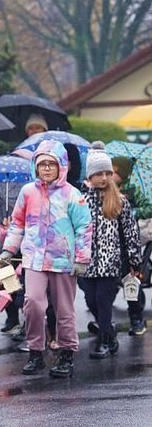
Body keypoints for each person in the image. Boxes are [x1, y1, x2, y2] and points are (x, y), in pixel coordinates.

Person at [0, 140, 92, 379]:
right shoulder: (27, 192)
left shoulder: (72, 194)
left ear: (62, 166)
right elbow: (18, 223)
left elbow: (83, 227)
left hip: (63, 261)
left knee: (64, 310)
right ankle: (35, 352)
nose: (47, 168)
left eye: (52, 164)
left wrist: (82, 258)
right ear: (35, 167)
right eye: (42, 164)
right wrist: (9, 249)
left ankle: (67, 354)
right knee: (32, 303)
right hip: (34, 259)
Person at [80, 149, 142, 358]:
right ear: (90, 176)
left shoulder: (120, 200)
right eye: (99, 174)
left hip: (111, 262)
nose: (104, 178)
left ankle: (103, 341)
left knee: (103, 300)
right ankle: (109, 331)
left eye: (107, 173)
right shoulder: (81, 201)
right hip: (87, 263)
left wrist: (134, 261)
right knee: (91, 300)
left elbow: (130, 232)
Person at [113, 154, 152, 334]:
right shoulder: (103, 189)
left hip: (129, 240)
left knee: (130, 280)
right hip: (109, 243)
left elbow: (148, 207)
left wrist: (133, 211)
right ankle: (103, 321)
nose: (110, 175)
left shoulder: (133, 190)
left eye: (114, 171)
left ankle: (136, 319)